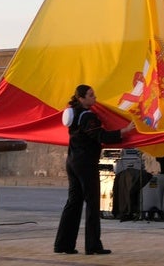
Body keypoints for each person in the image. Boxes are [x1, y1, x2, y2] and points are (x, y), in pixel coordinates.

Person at [54, 84, 135, 255]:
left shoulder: (72, 113)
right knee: (92, 203)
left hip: (72, 161)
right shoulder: (88, 117)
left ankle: (63, 244)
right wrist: (125, 131)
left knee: (73, 203)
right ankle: (93, 246)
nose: (95, 98)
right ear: (81, 99)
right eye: (91, 95)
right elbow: (101, 136)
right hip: (85, 163)